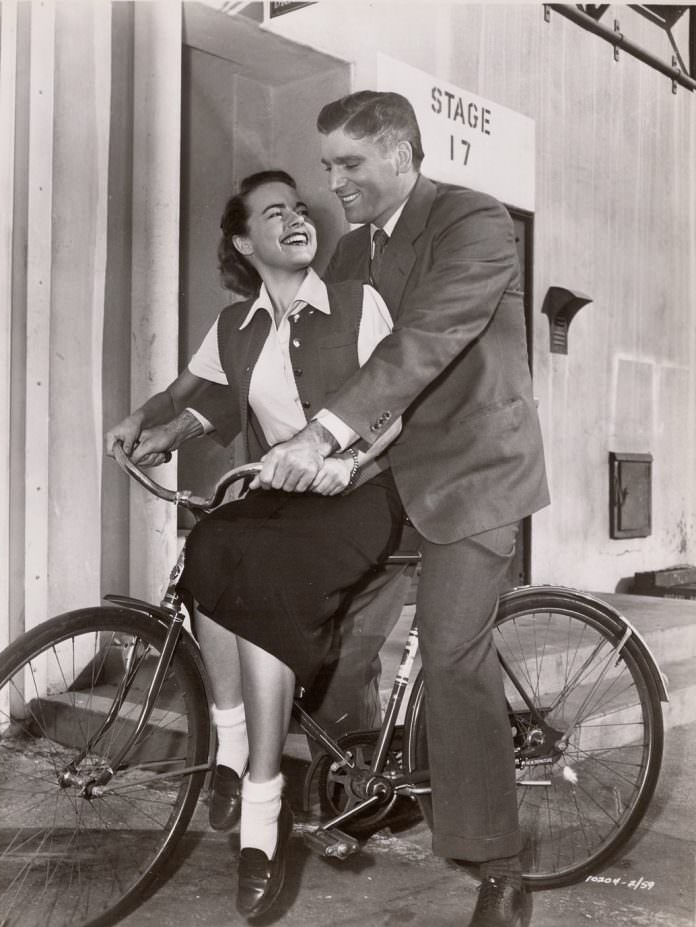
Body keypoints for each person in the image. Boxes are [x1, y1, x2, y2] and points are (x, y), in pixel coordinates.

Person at [237, 93, 550, 927]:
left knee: (450, 653)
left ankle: (499, 863)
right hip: (385, 472)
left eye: (350, 165)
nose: (331, 183)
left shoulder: (473, 223)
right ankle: (376, 788)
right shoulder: (348, 258)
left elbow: (423, 344)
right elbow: (331, 361)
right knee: (332, 633)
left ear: (404, 155)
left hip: (473, 471)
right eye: (328, 166)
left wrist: (326, 437)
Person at [106, 170, 404, 920]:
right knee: (210, 543)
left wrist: (347, 461)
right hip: (282, 496)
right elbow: (188, 395)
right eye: (277, 212)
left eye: (301, 208)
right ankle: (233, 749)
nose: (298, 217)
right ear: (244, 241)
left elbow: (396, 400)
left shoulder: (356, 303)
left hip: (361, 491)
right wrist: (141, 423)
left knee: (265, 577)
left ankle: (263, 813)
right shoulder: (236, 326)